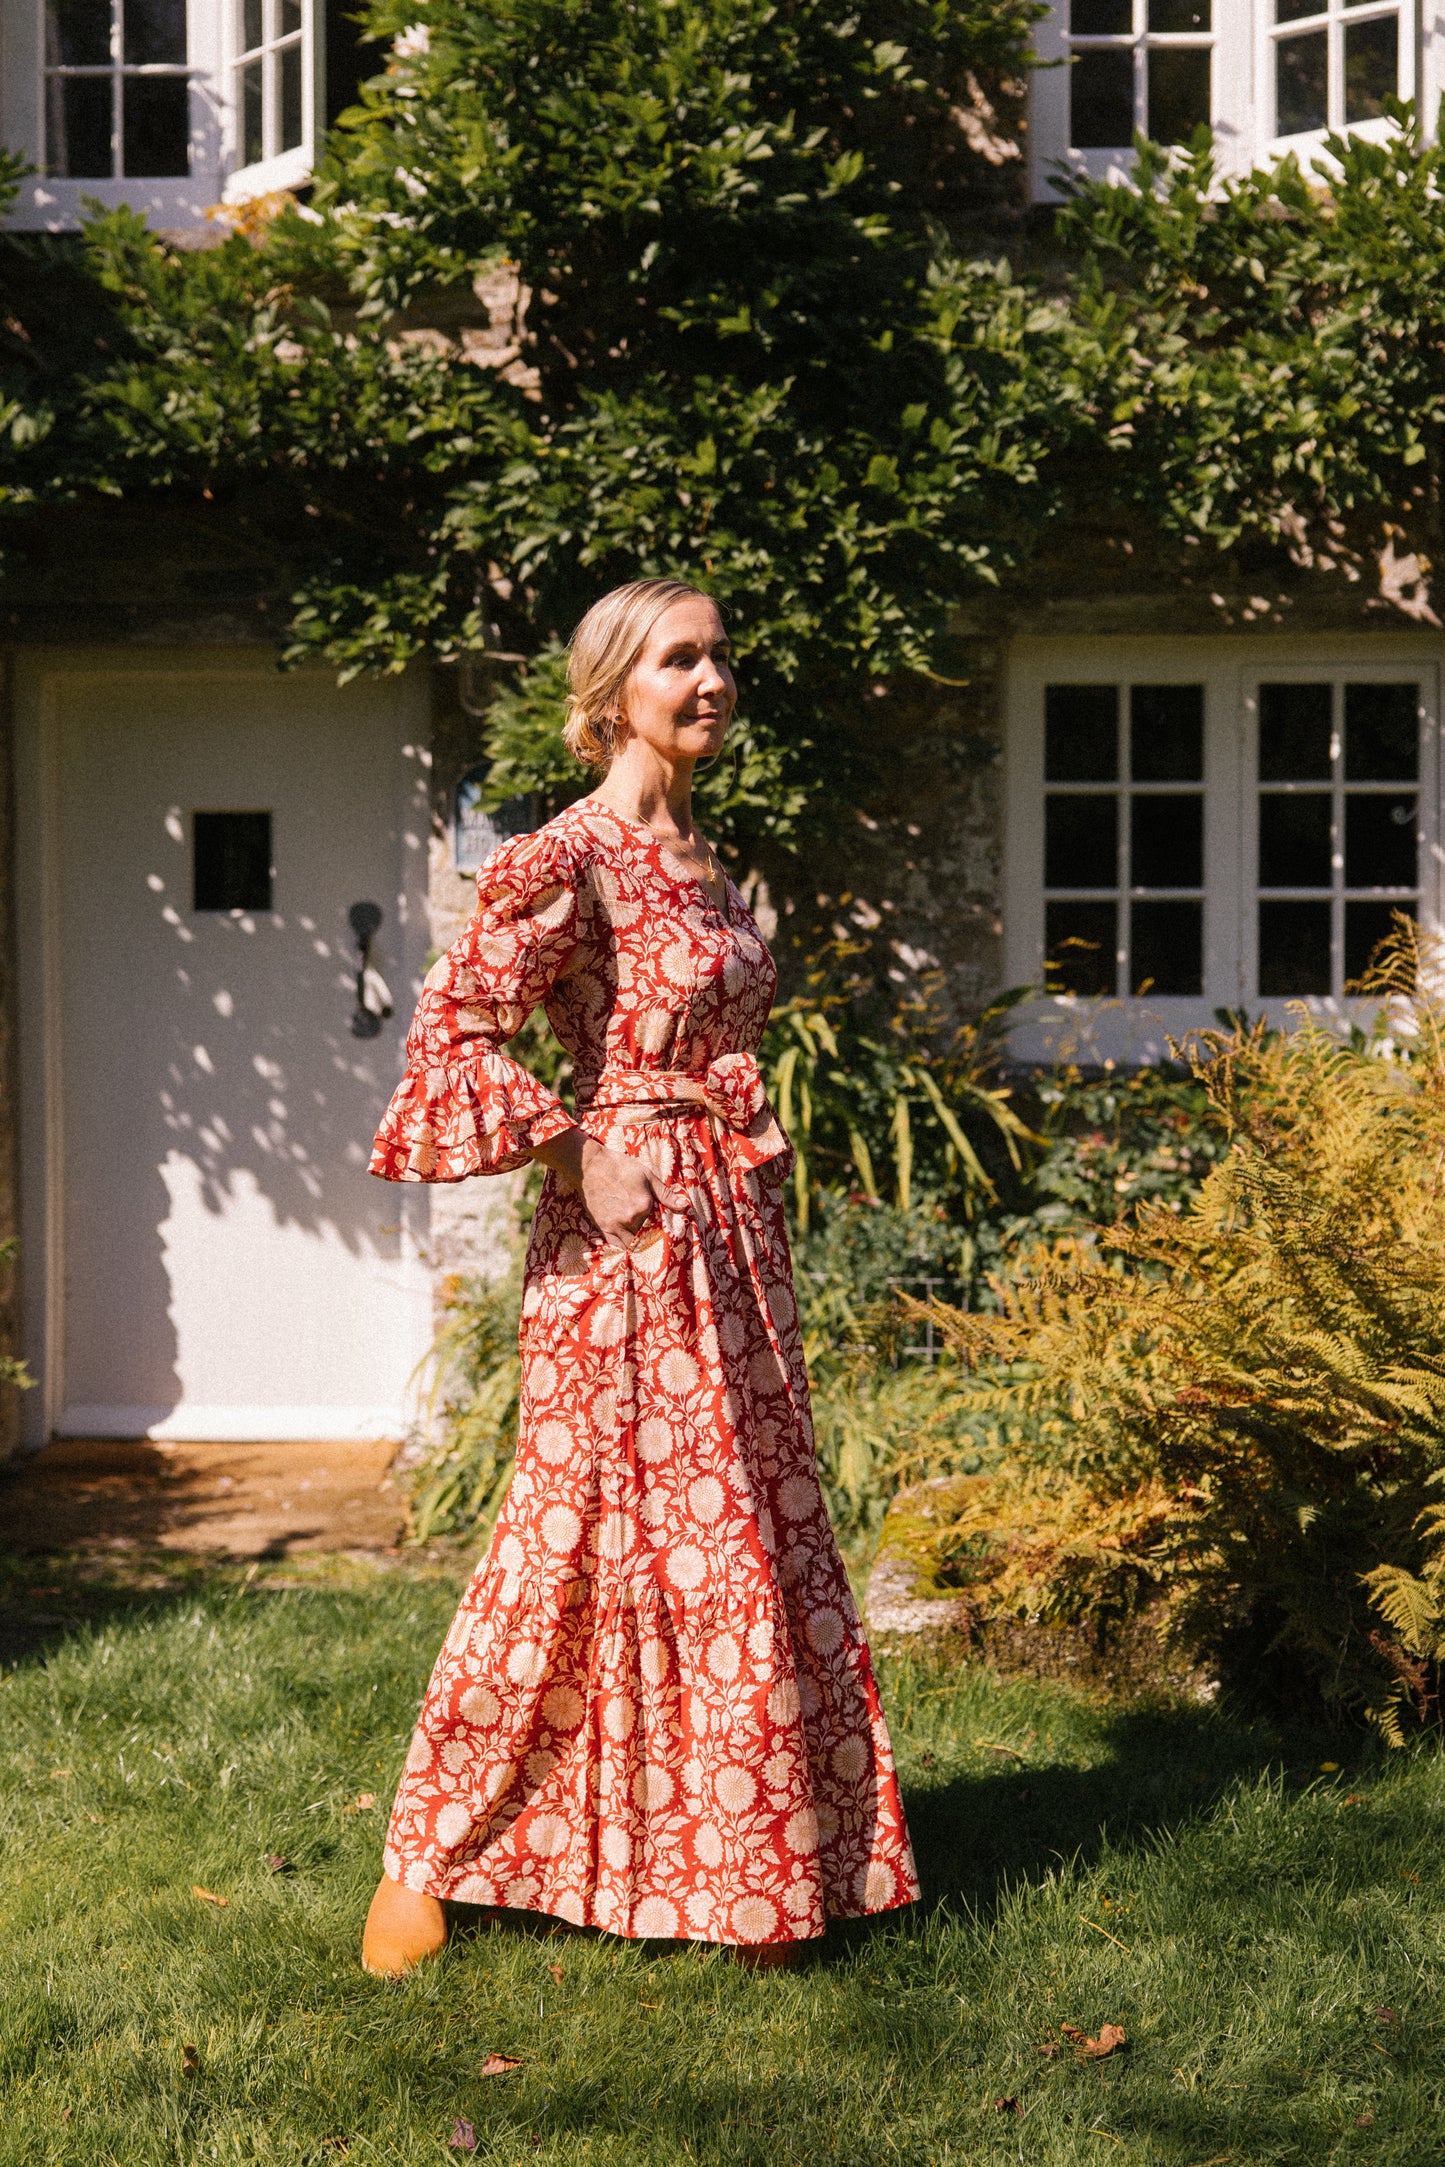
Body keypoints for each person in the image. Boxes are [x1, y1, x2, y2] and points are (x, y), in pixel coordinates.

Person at [361, 577, 917, 1975]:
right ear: (614, 691)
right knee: (568, 1539)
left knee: (739, 1541)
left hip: (727, 1235)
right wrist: (570, 1156)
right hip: (624, 1242)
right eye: (682, 659)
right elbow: (454, 1035)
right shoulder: (576, 852)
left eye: (723, 654)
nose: (713, 680)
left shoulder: (699, 858)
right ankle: (425, 1858)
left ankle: (746, 1867)